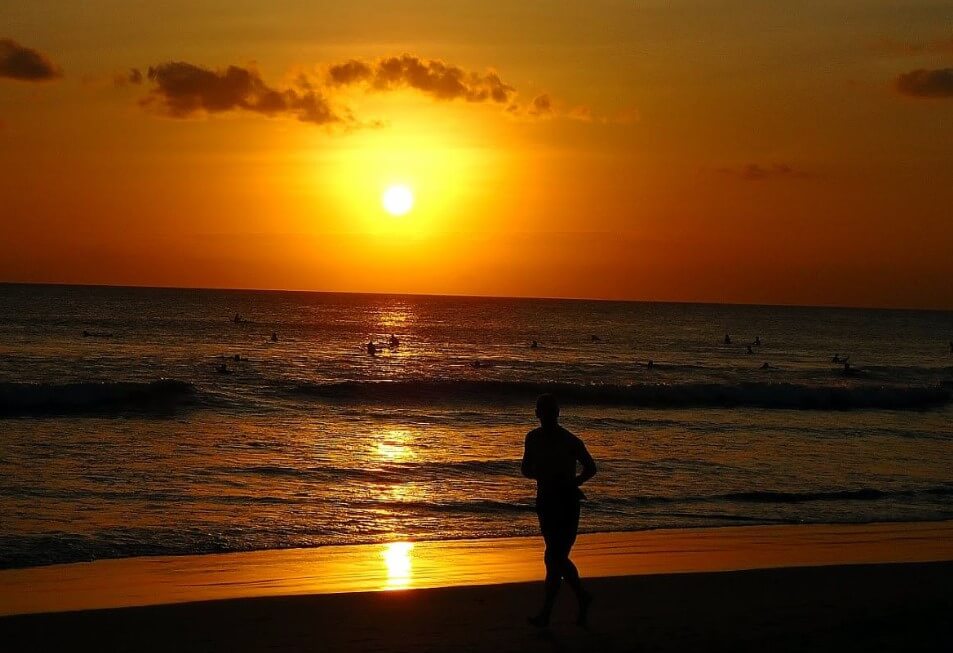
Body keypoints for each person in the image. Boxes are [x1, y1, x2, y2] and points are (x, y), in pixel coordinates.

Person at [521, 394, 597, 627]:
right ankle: (579, 598)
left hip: (566, 503)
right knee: (554, 557)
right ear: (538, 414)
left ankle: (550, 611)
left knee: (554, 556)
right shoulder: (532, 438)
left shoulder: (570, 440)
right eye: (544, 413)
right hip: (545, 502)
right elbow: (525, 468)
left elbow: (591, 467)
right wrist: (543, 475)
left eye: (550, 413)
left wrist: (572, 483)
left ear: (557, 414)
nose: (547, 417)